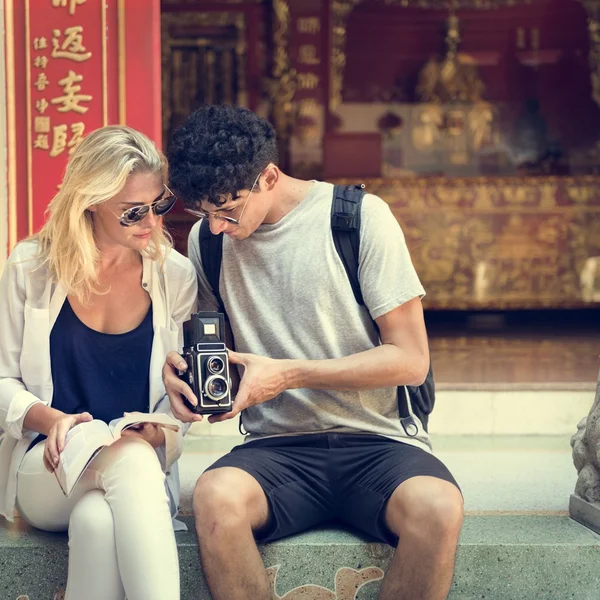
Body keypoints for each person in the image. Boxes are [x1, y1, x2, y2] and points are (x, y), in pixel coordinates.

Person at [163, 105, 463, 600]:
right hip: (274, 449)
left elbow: (411, 360)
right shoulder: (208, 242)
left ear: (269, 176)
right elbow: (222, 352)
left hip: (379, 442)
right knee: (214, 498)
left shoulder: (359, 219)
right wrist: (186, 375)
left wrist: (288, 376)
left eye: (228, 210)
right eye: (203, 213)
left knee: (439, 507)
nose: (216, 227)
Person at [0, 125, 197, 600]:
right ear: (90, 201)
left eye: (160, 205)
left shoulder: (175, 275)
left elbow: (179, 394)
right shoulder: (31, 268)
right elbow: (2, 379)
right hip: (47, 466)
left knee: (96, 522)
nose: (151, 222)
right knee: (126, 462)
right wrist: (51, 420)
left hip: (140, 472)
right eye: (133, 211)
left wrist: (164, 428)